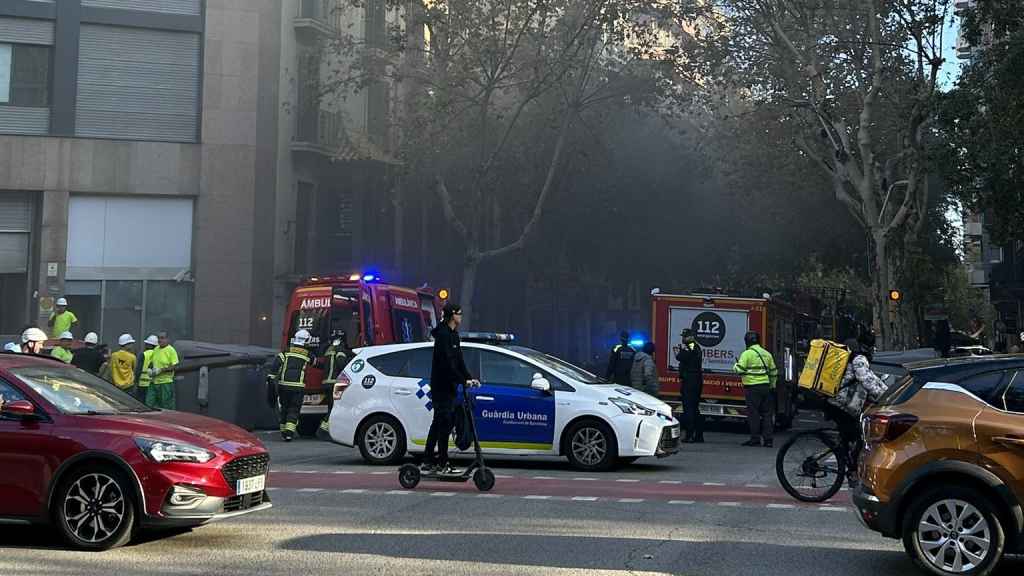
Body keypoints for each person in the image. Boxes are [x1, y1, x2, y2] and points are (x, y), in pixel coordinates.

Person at [423, 302, 479, 474]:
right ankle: (441, 462)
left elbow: (459, 360)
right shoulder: (443, 336)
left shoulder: (454, 335)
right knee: (444, 423)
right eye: (459, 313)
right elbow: (447, 364)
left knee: (439, 423)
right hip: (441, 386)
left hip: (449, 386)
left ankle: (429, 461)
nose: (461, 316)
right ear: (452, 315)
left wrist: (469, 378)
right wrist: (463, 380)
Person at [827, 338, 889, 456]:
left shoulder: (848, 360)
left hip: (835, 402)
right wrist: (885, 396)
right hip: (842, 404)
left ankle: (845, 462)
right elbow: (867, 381)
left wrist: (887, 391)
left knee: (849, 434)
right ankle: (849, 465)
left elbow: (872, 378)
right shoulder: (858, 360)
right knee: (860, 434)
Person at [267, 329, 315, 441]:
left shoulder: (285, 352)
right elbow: (317, 364)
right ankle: (289, 433)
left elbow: (275, 366)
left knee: (284, 408)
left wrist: (270, 378)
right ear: (306, 341)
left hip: (283, 386)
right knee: (294, 409)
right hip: (298, 387)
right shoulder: (308, 354)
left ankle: (284, 431)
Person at [734, 331, 778, 448]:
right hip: (766, 387)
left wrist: (736, 365)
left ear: (747, 341)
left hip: (752, 388)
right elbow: (774, 372)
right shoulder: (767, 354)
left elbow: (740, 369)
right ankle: (768, 440)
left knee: (754, 414)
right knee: (767, 415)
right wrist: (772, 386)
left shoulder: (747, 354)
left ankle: (755, 439)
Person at [317, 332, 352, 439]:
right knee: (335, 408)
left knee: (330, 407)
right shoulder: (340, 350)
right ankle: (323, 429)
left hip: (326, 383)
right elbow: (342, 364)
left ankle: (329, 430)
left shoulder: (329, 350)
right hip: (335, 383)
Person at [676, 329, 704, 443]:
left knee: (689, 409)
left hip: (690, 381)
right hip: (695, 380)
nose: (683, 339)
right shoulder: (695, 347)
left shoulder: (690, 347)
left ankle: (690, 435)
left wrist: (681, 351)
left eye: (685, 336)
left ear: (691, 337)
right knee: (694, 408)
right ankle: (698, 435)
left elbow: (679, 357)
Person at [147, 332, 179, 410]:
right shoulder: (156, 349)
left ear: (167, 339)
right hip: (154, 382)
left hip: (165, 383)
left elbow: (175, 366)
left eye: (162, 338)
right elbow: (151, 362)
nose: (159, 340)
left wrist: (161, 370)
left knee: (166, 405)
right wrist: (149, 369)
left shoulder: (171, 350)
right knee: (149, 403)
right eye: (159, 338)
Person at [137, 335, 159, 403]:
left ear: (149, 345)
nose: (145, 345)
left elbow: (138, 370)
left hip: (143, 384)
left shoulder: (143, 354)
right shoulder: (158, 354)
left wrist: (135, 382)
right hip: (154, 384)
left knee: (141, 404)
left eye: (146, 344)